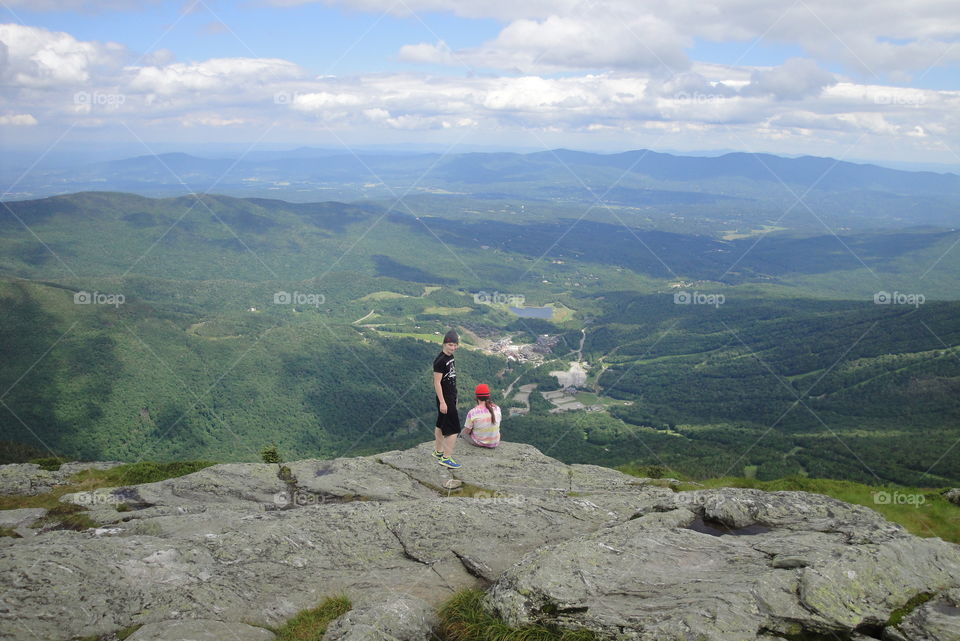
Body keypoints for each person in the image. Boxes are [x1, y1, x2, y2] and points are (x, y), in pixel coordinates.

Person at [432, 329, 461, 468]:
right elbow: (437, 382)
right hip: (445, 399)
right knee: (454, 429)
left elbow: (451, 378)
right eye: (451, 345)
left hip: (449, 397)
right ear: (444, 344)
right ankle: (446, 457)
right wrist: (443, 402)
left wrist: (455, 395)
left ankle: (438, 451)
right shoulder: (440, 361)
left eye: (455, 345)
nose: (453, 348)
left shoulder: (450, 357)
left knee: (440, 424)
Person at [462, 383, 501, 448]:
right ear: (489, 396)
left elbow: (467, 431)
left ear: (476, 397)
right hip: (495, 443)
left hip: (480, 443)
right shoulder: (497, 408)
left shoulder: (472, 412)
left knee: (463, 432)